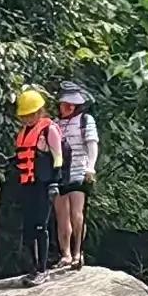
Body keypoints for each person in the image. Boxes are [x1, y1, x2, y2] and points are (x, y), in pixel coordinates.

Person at [42, 81, 99, 268]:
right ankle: (65, 254)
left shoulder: (85, 121)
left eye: (70, 104)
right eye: (64, 103)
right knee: (62, 215)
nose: (67, 107)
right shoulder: (55, 124)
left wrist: (91, 167)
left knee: (77, 213)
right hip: (59, 173)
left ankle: (78, 252)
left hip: (79, 171)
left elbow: (92, 144)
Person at [4, 89, 53, 278]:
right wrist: (6, 163)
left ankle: (43, 268)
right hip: (28, 183)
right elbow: (20, 157)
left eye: (31, 115)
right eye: (24, 116)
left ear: (40, 112)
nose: (27, 119)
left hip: (44, 183)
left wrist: (55, 182)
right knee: (29, 227)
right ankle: (32, 267)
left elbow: (57, 158)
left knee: (42, 226)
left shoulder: (49, 130)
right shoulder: (24, 132)